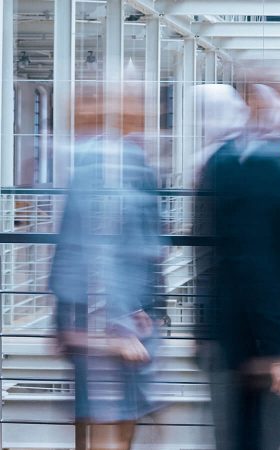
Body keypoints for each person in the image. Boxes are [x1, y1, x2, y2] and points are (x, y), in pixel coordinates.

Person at [50, 84, 163, 450]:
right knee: (108, 417)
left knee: (105, 416)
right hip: (102, 317)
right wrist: (117, 324)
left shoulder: (103, 161)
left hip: (103, 313)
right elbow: (94, 249)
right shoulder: (107, 163)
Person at [194, 84, 280, 450]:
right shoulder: (254, 167)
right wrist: (279, 348)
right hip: (254, 339)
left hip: (232, 333)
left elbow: (209, 256)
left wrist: (202, 326)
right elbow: (257, 261)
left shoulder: (218, 163)